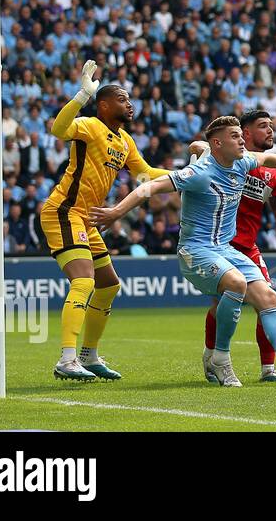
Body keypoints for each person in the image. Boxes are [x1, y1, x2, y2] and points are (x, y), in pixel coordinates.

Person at [91, 116, 276, 387]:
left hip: (225, 249)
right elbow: (149, 186)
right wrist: (115, 212)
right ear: (217, 143)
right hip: (195, 251)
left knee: (268, 296)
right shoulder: (199, 173)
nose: (241, 141)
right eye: (235, 136)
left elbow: (266, 159)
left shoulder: (243, 162)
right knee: (236, 284)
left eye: (241, 135)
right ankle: (221, 360)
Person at [39, 61, 173, 381]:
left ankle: (89, 355)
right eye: (123, 99)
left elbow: (146, 175)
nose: (130, 104)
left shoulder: (125, 140)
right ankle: (67, 359)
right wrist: (81, 95)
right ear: (103, 104)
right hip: (64, 211)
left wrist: (188, 173)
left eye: (129, 100)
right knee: (84, 281)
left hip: (87, 219)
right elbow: (58, 130)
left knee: (109, 285)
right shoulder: (89, 125)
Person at [190, 110, 276, 382]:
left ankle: (272, 368)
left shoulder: (272, 175)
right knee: (220, 305)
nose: (271, 131)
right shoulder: (225, 160)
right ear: (245, 133)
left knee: (267, 298)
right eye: (263, 127)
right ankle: (213, 356)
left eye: (272, 126)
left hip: (247, 248)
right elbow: (197, 146)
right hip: (216, 247)